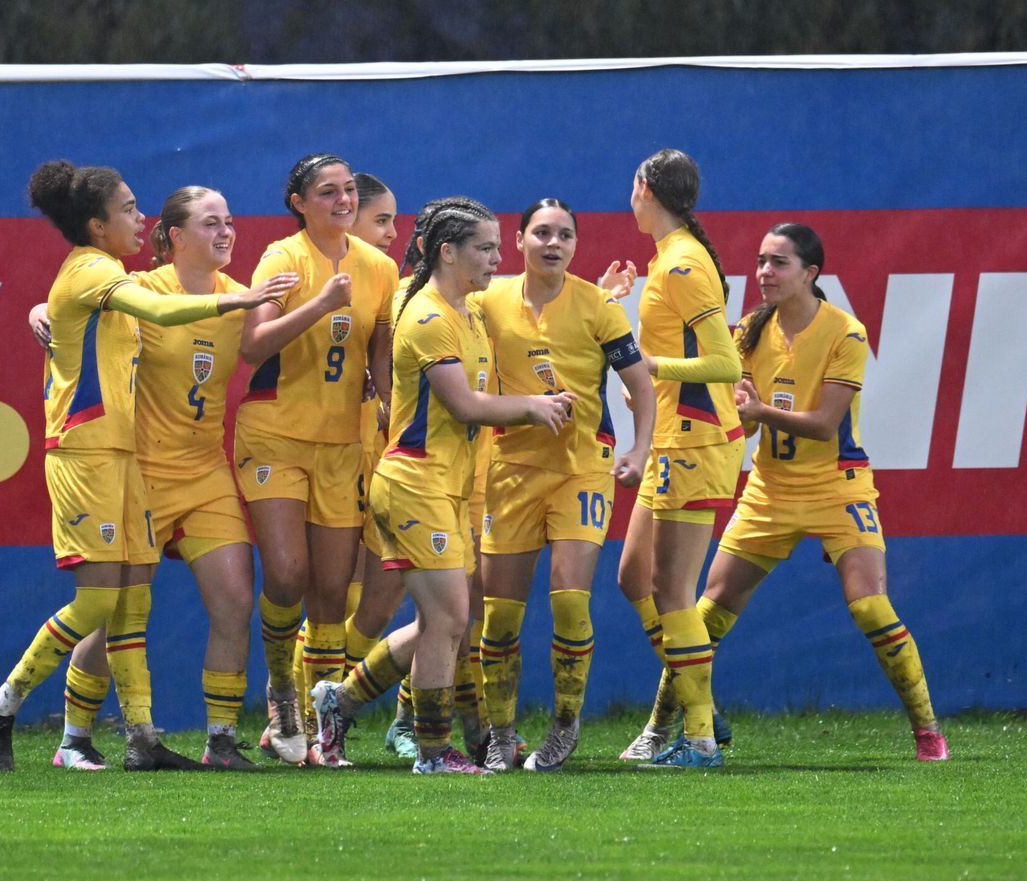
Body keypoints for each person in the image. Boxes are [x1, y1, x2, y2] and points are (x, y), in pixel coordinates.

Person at [0, 161, 292, 771]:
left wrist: (45, 310)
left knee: (131, 606)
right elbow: (155, 311)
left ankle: (146, 741)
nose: (138, 217)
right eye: (128, 209)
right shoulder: (103, 272)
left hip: (136, 458)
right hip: (94, 452)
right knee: (100, 603)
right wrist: (244, 297)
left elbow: (78, 316)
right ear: (98, 224)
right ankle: (15, 711)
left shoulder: (108, 274)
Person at [647, 223, 949, 761]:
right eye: (761, 260)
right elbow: (748, 421)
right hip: (768, 491)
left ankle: (927, 731)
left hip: (837, 487)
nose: (765, 272)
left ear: (811, 273)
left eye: (779, 263)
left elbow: (827, 423)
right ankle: (659, 730)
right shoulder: (746, 333)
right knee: (704, 613)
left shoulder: (845, 332)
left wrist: (759, 410)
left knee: (871, 607)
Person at [310, 198, 574, 775]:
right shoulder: (430, 316)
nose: (496, 259)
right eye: (484, 248)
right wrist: (534, 406)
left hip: (447, 488)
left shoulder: (472, 310)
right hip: (413, 484)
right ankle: (433, 752)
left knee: (445, 620)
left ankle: (340, 700)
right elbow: (465, 404)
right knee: (451, 619)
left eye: (499, 247)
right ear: (446, 252)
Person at [475, 198, 656, 772]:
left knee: (570, 600)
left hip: (583, 467)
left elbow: (642, 388)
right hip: (510, 469)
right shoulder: (488, 301)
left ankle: (564, 724)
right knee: (499, 616)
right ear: (519, 238)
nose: (554, 243)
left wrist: (639, 448)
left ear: (576, 245)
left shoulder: (599, 306)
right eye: (543, 233)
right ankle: (500, 734)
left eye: (566, 235)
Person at [237, 154, 398, 766]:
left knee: (332, 591)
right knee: (285, 573)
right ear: (300, 203)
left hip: (340, 445)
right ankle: (281, 693)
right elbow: (254, 345)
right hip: (275, 434)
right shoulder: (283, 257)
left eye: (349, 189)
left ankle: (316, 729)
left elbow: (379, 355)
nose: (343, 200)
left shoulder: (379, 268)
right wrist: (323, 302)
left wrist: (390, 404)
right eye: (327, 192)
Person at [615, 149, 744, 769]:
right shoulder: (671, 256)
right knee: (633, 576)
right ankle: (698, 703)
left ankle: (696, 737)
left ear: (644, 188)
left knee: (672, 589)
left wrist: (647, 367)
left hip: (695, 438)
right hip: (674, 435)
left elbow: (726, 364)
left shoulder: (685, 264)